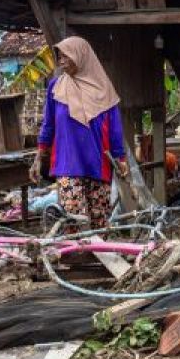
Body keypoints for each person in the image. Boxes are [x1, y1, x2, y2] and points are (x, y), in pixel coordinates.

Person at [31, 37, 128, 229]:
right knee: (73, 220)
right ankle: (75, 257)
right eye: (60, 57)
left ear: (82, 56)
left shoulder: (104, 89)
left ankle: (99, 257)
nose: (61, 61)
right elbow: (48, 125)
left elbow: (115, 129)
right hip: (68, 164)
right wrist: (38, 157)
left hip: (99, 164)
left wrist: (121, 158)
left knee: (99, 222)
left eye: (67, 56)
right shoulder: (56, 88)